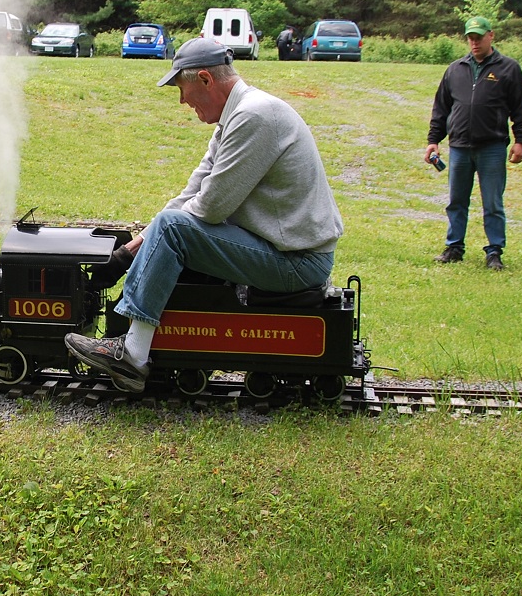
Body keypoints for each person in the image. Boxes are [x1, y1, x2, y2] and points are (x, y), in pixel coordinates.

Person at [63, 38, 344, 391]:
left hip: (296, 261)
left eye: (184, 90)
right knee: (172, 223)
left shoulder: (254, 117)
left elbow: (210, 208)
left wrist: (149, 242)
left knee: (174, 228)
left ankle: (132, 354)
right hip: (282, 249)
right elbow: (189, 195)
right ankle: (134, 339)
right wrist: (127, 253)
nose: (183, 101)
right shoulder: (234, 120)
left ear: (207, 80)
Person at [424, 15, 522, 270]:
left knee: (492, 202)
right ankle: (454, 247)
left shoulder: (508, 68)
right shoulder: (455, 69)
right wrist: (434, 140)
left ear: (491, 36)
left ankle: (494, 251)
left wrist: (520, 141)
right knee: (456, 200)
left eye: (478, 38)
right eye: (470, 38)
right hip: (459, 146)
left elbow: (520, 107)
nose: (474, 43)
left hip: (492, 147)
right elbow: (441, 108)